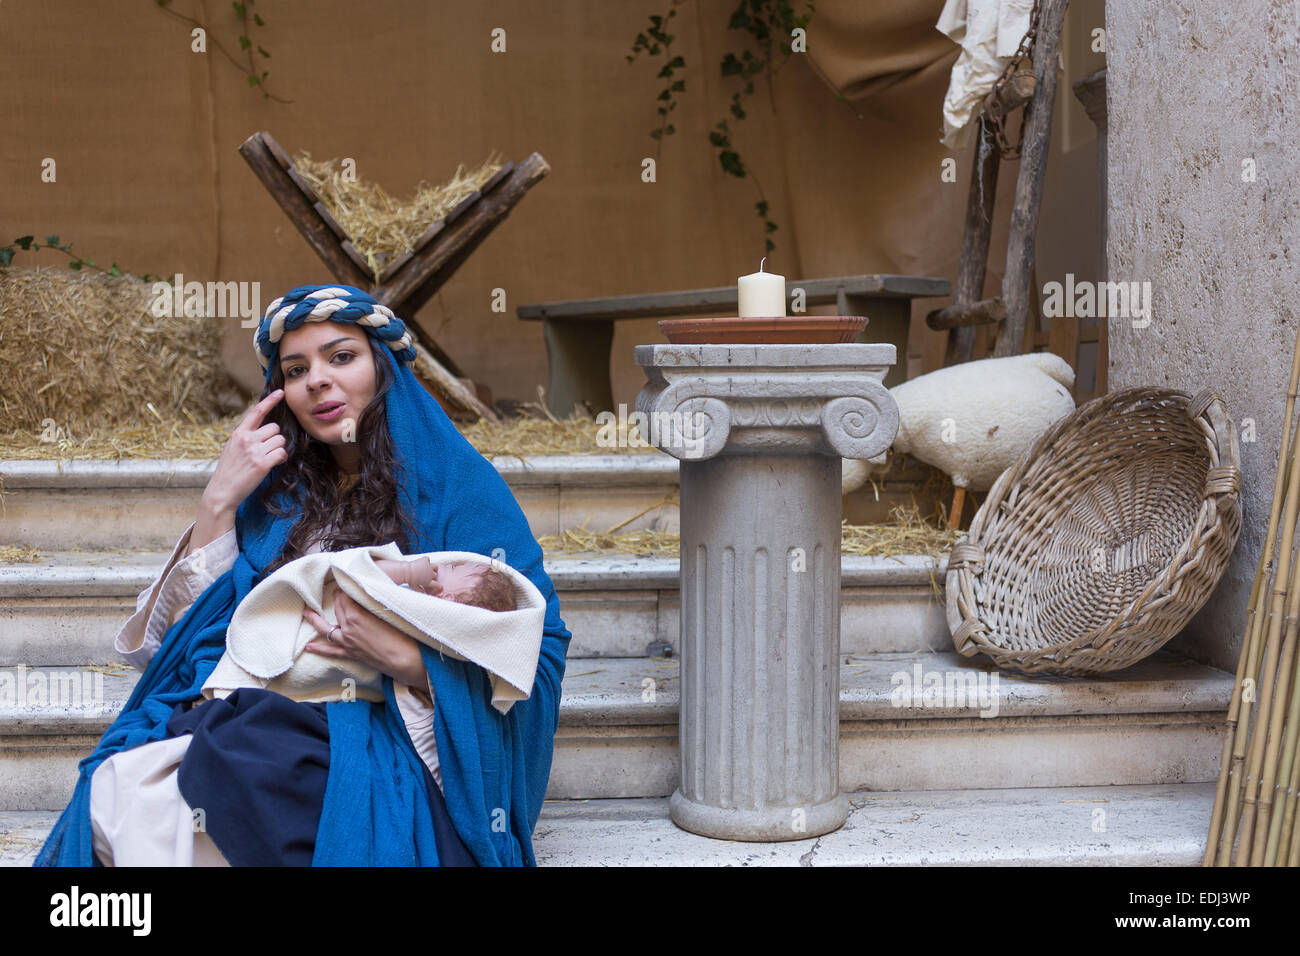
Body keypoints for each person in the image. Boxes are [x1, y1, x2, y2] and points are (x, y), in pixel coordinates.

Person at [35, 284, 571, 867]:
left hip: (384, 735)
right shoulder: (278, 499)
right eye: (295, 369)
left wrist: (409, 663)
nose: (316, 380)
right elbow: (190, 641)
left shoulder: (459, 489)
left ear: (383, 368)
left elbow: (532, 658)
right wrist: (219, 499)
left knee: (228, 777)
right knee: (122, 781)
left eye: (342, 357)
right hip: (256, 712)